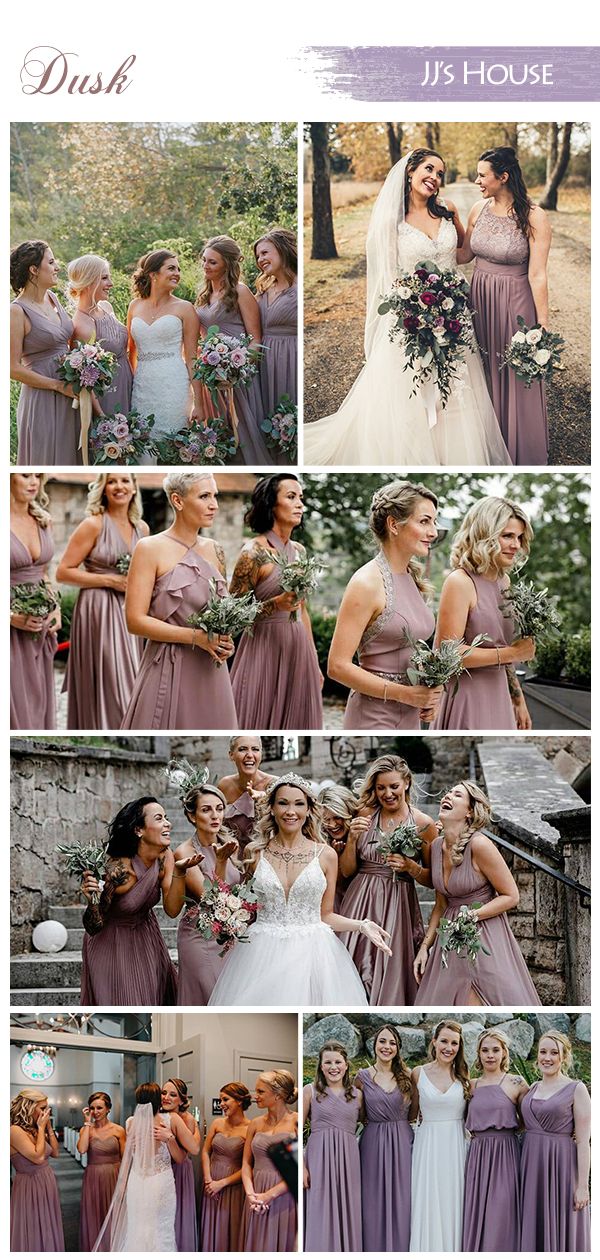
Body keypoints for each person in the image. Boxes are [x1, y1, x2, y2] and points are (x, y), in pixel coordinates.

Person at [303, 149, 510, 466]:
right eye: (429, 169)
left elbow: (464, 254)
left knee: (456, 391)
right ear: (410, 171)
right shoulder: (392, 221)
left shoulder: (448, 211)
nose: (435, 177)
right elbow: (386, 279)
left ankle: (452, 455)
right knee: (411, 394)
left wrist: (494, 246)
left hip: (453, 318)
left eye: (440, 173)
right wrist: (413, 311)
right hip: (410, 321)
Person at [208, 773, 391, 1006]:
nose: (290, 811)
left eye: (298, 804)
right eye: (283, 803)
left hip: (313, 953)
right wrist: (221, 863)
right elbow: (238, 905)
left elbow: (325, 915)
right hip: (261, 952)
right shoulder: (254, 853)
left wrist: (362, 925)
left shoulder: (326, 855)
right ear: (272, 808)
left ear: (308, 810)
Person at [120, 471, 237, 730]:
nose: (214, 504)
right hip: (169, 665)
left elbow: (222, 613)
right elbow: (134, 621)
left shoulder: (216, 550)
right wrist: (196, 637)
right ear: (178, 500)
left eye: (215, 496)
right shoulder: (149, 548)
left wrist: (226, 642)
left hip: (212, 669)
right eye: (204, 496)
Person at [459, 146, 551, 463]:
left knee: (514, 372)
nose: (477, 180)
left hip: (515, 301)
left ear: (503, 176)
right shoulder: (477, 210)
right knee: (482, 369)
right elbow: (462, 256)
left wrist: (543, 328)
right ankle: (488, 445)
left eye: (482, 175)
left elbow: (538, 275)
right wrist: (446, 225)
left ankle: (521, 449)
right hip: (479, 300)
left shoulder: (534, 216)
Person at [328, 480, 442, 729]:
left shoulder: (412, 577)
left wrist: (431, 688)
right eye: (424, 521)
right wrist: (406, 694)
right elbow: (337, 666)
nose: (433, 532)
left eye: (434, 522)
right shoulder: (366, 583)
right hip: (373, 715)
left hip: (410, 715)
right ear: (394, 525)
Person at [414, 781, 540, 1004]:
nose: (448, 796)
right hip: (449, 938)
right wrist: (426, 947)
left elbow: (511, 896)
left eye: (457, 795)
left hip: (484, 934)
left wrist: (472, 915)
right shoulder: (435, 846)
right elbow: (441, 905)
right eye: (448, 792)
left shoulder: (480, 845)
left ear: (470, 811)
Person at [79, 796, 198, 1004]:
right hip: (112, 943)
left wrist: (179, 871)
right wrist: (92, 902)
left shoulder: (165, 856)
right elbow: (93, 926)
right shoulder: (118, 870)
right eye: (159, 819)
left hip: (147, 936)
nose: (168, 823)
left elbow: (171, 910)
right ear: (139, 830)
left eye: (166, 818)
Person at [339, 755, 436, 1005]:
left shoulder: (423, 824)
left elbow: (434, 880)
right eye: (381, 787)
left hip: (398, 905)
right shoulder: (364, 814)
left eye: (393, 786)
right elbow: (347, 871)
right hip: (360, 900)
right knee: (354, 965)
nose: (387, 793)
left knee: (390, 969)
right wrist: (351, 840)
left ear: (406, 783)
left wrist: (411, 867)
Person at [229, 475, 323, 729]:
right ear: (271, 504)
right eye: (291, 497)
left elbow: (302, 608)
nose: (300, 504)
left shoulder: (300, 552)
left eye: (301, 498)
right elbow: (232, 617)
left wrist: (313, 659)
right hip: (262, 647)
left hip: (297, 646)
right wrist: (274, 605)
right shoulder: (253, 554)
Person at [433, 496, 535, 730]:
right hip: (468, 695)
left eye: (519, 537)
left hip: (500, 693)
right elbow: (447, 653)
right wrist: (511, 653)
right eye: (507, 536)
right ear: (484, 535)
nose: (516, 545)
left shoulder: (504, 580)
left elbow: (503, 647)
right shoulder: (460, 582)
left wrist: (518, 700)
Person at [56, 473, 147, 728]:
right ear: (103, 489)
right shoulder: (93, 525)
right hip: (97, 608)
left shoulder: (142, 529)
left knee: (132, 675)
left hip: (131, 610)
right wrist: (110, 581)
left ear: (134, 487)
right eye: (112, 481)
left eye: (125, 481)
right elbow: (63, 571)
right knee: (109, 676)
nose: (119, 486)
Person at [164, 772, 241, 1004]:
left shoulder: (230, 846)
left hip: (231, 938)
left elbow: (239, 891)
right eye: (206, 810)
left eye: (219, 808)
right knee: (211, 999)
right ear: (192, 816)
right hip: (200, 937)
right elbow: (212, 899)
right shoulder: (184, 853)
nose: (215, 815)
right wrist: (220, 862)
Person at [93, 1082, 198, 1252]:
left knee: (137, 1229)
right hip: (160, 1182)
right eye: (163, 1094)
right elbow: (193, 1149)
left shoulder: (130, 1122)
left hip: (136, 1182)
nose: (165, 1097)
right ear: (158, 1100)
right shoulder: (171, 1120)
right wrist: (170, 1137)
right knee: (160, 1230)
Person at [196, 234, 271, 463]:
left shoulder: (240, 291)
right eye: (205, 260)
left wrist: (236, 369)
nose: (206, 266)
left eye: (212, 262)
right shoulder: (203, 296)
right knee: (223, 433)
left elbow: (255, 338)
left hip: (239, 377)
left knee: (245, 432)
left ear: (226, 264)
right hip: (212, 377)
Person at [520, 1031, 591, 1252]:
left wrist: (583, 1186)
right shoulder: (531, 1089)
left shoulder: (576, 1089)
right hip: (531, 1168)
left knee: (561, 1224)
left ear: (564, 1057)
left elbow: (583, 1141)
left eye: (554, 1053)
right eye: (543, 1052)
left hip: (561, 1168)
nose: (547, 1058)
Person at [10, 239, 79, 464]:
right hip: (42, 397)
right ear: (34, 270)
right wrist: (58, 386)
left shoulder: (53, 298)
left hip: (70, 394)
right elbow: (12, 368)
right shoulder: (16, 311)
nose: (57, 267)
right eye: (51, 262)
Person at [462, 1030, 527, 1251]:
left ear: (504, 1053)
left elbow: (531, 1118)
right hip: (478, 1155)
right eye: (485, 1050)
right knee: (477, 1207)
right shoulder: (470, 1086)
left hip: (506, 1153)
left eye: (495, 1050)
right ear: (478, 1054)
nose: (490, 1055)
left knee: (502, 1209)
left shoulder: (516, 1083)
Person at [127, 249, 201, 440]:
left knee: (172, 439)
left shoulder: (185, 308)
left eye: (178, 269)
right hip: (143, 386)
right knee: (142, 441)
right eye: (171, 268)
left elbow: (192, 358)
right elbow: (131, 353)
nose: (177, 273)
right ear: (153, 274)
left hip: (173, 384)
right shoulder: (134, 306)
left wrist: (199, 403)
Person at [409, 1020, 470, 1251]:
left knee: (453, 1201)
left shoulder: (464, 1077)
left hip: (455, 1145)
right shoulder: (418, 1073)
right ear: (434, 1042)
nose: (449, 1047)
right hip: (428, 1144)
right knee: (428, 1202)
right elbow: (412, 1114)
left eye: (454, 1043)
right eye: (444, 1041)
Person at [355, 1025, 413, 1251]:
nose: (386, 1047)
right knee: (372, 1200)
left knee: (403, 1198)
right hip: (373, 1142)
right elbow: (357, 1112)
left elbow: (415, 1110)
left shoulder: (408, 1076)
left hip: (402, 1141)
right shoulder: (362, 1077)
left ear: (398, 1048)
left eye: (392, 1043)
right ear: (374, 1045)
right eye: (382, 1041)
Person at [10, 472, 58, 729]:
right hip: (9, 630)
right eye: (26, 475)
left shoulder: (43, 520)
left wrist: (56, 607)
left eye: (38, 477)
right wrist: (9, 617)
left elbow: (44, 574)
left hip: (39, 629)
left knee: (37, 704)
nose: (33, 482)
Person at [303, 1040, 361, 1252]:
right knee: (320, 1206)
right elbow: (294, 1129)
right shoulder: (309, 1091)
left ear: (346, 1065)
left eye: (338, 1062)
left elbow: (364, 1123)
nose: (333, 1067)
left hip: (349, 1158)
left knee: (348, 1207)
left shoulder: (357, 1095)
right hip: (319, 1157)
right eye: (328, 1062)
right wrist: (301, 1166)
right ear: (320, 1065)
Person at [239, 1072, 298, 1252]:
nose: (255, 1096)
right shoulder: (256, 1123)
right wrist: (251, 1195)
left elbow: (299, 1168)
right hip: (255, 1195)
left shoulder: (297, 1121)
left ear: (278, 1095)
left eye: (261, 1091)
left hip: (283, 1195)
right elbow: (246, 1163)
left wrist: (269, 1195)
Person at [67, 254, 133, 415]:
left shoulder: (106, 307)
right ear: (88, 281)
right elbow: (85, 380)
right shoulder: (81, 325)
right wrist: (102, 416)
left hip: (128, 382)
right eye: (104, 278)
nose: (110, 284)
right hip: (108, 394)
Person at [10, 1088, 64, 1251]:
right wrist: (41, 1128)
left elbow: (55, 1153)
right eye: (42, 1108)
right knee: (33, 1225)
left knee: (48, 1222)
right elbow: (38, 1157)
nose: (46, 1112)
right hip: (29, 1185)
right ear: (29, 1107)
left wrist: (47, 1128)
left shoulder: (34, 1129)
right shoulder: (14, 1131)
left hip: (46, 1180)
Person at [201, 1081, 252, 1252]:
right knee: (210, 1226)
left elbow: (248, 1166)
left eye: (225, 1099)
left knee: (229, 1230)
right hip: (210, 1183)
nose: (221, 1103)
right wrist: (208, 1180)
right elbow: (205, 1152)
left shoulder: (250, 1128)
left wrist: (221, 1184)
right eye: (221, 1099)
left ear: (238, 1101)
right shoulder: (217, 1123)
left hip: (233, 1188)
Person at [254, 228, 298, 428]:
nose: (260, 259)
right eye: (258, 256)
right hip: (263, 362)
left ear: (281, 250)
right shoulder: (263, 290)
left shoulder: (298, 286)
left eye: (265, 252)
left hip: (289, 357)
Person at [77, 1091, 126, 1251]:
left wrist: (125, 1182)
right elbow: (82, 1149)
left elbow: (125, 1158)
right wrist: (87, 1123)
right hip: (93, 1177)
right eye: (92, 1108)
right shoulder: (87, 1130)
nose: (95, 1112)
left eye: (99, 1108)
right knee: (94, 1214)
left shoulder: (118, 1130)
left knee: (113, 1215)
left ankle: (113, 1248)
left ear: (108, 1109)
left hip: (114, 1175)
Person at [160, 1079, 201, 1252]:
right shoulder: (157, 1115)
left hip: (179, 1170)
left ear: (182, 1100)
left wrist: (169, 1137)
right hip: (161, 1171)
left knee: (178, 1213)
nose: (166, 1097)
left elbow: (186, 1154)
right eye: (163, 1093)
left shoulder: (187, 1119)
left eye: (172, 1094)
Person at [217, 734, 277, 853]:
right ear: (231, 755)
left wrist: (264, 801)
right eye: (242, 749)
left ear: (261, 753)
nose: (250, 755)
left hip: (267, 856)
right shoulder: (224, 785)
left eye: (255, 749)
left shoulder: (275, 784)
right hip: (232, 858)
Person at [317, 784, 360, 911]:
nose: (332, 825)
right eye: (326, 819)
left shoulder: (361, 834)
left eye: (337, 817)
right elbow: (336, 884)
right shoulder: (320, 841)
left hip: (361, 899)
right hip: (334, 903)